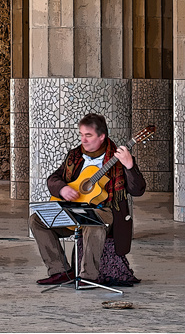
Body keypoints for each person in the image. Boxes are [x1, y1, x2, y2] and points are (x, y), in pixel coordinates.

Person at [29, 112, 147, 287]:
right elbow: (53, 179)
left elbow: (138, 190)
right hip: (73, 208)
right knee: (37, 220)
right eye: (81, 135)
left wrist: (129, 165)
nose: (83, 140)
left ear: (101, 136)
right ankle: (59, 271)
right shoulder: (75, 156)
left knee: (94, 222)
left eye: (88, 135)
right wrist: (63, 188)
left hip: (106, 209)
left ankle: (88, 277)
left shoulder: (118, 158)